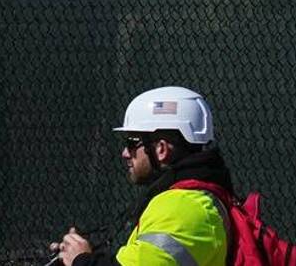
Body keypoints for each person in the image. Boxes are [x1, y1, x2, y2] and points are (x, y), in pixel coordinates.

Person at [52, 86, 233, 266]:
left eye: (131, 143)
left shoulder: (183, 207)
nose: (124, 153)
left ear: (161, 149)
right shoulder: (188, 200)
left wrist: (81, 260)